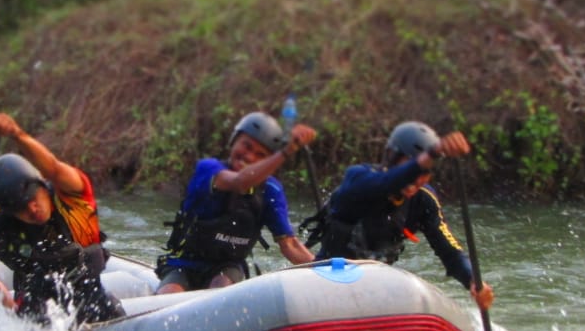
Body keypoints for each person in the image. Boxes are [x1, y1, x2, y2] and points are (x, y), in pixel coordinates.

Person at [0, 113, 124, 326]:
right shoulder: (0, 222)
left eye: (32, 198)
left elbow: (54, 168)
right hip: (36, 303)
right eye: (21, 208)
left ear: (40, 184)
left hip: (91, 297)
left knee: (94, 295)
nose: (32, 209)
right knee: (32, 301)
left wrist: (17, 134)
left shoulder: (69, 195)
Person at [301, 121, 494, 309]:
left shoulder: (424, 200)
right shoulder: (359, 179)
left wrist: (472, 281)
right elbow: (387, 182)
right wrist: (431, 154)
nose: (416, 178)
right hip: (326, 285)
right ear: (391, 158)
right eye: (411, 165)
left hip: (375, 292)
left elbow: (449, 251)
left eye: (424, 171)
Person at [155, 111, 318, 294]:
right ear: (234, 140)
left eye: (260, 154)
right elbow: (240, 182)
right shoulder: (208, 169)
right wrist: (286, 152)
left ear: (267, 162)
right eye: (246, 146)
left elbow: (290, 245)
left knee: (221, 286)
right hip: (183, 263)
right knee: (170, 291)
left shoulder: (271, 190)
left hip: (227, 268)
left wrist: (322, 267)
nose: (249, 157)